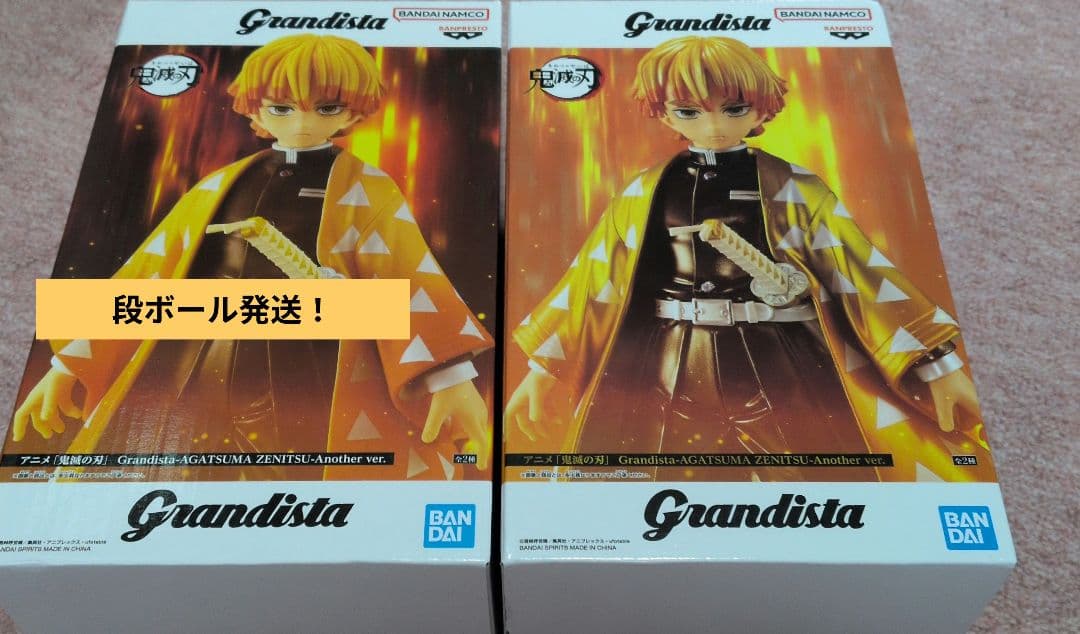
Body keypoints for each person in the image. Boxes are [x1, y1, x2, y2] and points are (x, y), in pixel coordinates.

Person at [12, 34, 493, 479]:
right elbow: (149, 272)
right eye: (281, 108)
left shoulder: (367, 188)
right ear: (256, 110)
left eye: (326, 108)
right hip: (196, 353)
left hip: (308, 365)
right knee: (177, 464)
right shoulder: (221, 184)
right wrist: (67, 366)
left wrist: (450, 377)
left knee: (296, 473)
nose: (302, 124)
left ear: (352, 112)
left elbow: (410, 278)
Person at [505, 36, 981, 482]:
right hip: (670, 359)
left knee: (814, 475)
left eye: (733, 109)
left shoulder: (794, 187)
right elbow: (595, 277)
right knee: (664, 476)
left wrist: (937, 364)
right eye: (688, 111)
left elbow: (858, 269)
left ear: (761, 108)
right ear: (664, 114)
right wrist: (543, 370)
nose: (713, 127)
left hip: (779, 355)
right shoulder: (646, 191)